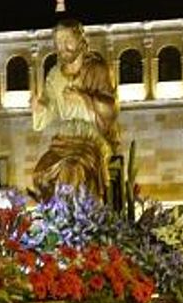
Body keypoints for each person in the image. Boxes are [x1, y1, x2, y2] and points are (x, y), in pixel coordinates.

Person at [31, 18, 119, 200]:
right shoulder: (54, 75)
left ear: (80, 40)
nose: (62, 47)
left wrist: (83, 98)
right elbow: (51, 109)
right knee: (41, 173)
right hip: (64, 139)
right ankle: (55, 220)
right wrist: (40, 108)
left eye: (67, 41)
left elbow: (111, 109)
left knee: (71, 170)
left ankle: (77, 221)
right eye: (58, 43)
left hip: (91, 138)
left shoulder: (97, 69)